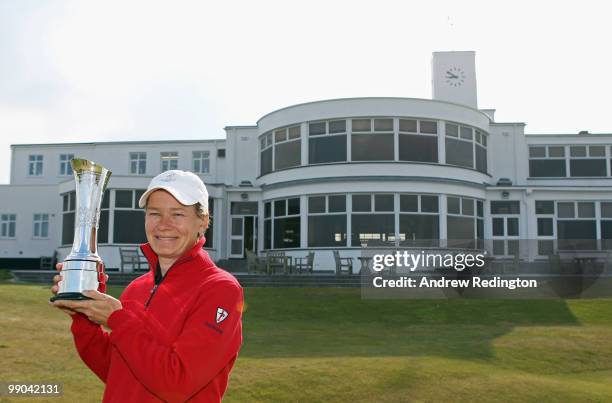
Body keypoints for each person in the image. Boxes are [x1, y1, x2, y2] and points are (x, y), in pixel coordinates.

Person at [51, 170, 243, 402]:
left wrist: (118, 319)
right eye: (154, 213)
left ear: (202, 220)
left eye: (177, 214)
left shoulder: (221, 289)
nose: (164, 225)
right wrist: (84, 316)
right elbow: (116, 371)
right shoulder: (137, 288)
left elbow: (177, 383)